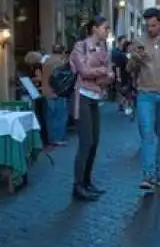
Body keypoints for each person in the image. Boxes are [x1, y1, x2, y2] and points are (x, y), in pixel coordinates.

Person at [127, 7, 160, 192]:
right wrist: (135, 59)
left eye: (153, 25)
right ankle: (148, 175)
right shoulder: (139, 42)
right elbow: (129, 68)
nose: (150, 29)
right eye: (147, 25)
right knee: (146, 133)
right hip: (145, 93)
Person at [69, 16, 114, 201]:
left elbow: (111, 75)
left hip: (95, 98)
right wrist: (103, 72)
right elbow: (84, 71)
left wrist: (103, 74)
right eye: (105, 28)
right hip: (83, 98)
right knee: (85, 143)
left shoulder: (104, 48)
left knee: (94, 143)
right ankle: (78, 186)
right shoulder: (81, 46)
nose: (107, 31)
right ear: (94, 28)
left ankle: (87, 182)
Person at [41, 45, 69, 146]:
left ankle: (51, 138)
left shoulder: (45, 61)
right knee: (60, 116)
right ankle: (58, 138)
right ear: (62, 52)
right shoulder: (61, 62)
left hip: (46, 92)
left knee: (50, 116)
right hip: (57, 93)